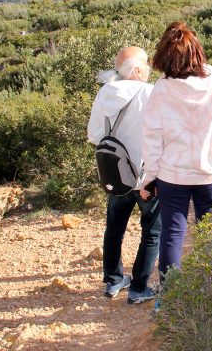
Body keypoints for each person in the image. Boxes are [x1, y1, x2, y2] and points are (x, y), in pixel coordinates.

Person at [140, 21, 212, 283]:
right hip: (211, 170)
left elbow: (152, 138)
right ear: (198, 52)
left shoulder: (162, 89)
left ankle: (170, 297)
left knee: (173, 234)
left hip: (172, 174)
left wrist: (149, 178)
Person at [87, 46, 161, 304]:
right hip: (145, 177)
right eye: (147, 65)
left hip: (116, 175)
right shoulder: (150, 93)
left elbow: (94, 135)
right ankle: (139, 287)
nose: (150, 69)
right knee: (151, 231)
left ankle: (113, 280)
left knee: (114, 229)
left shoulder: (105, 93)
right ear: (138, 69)